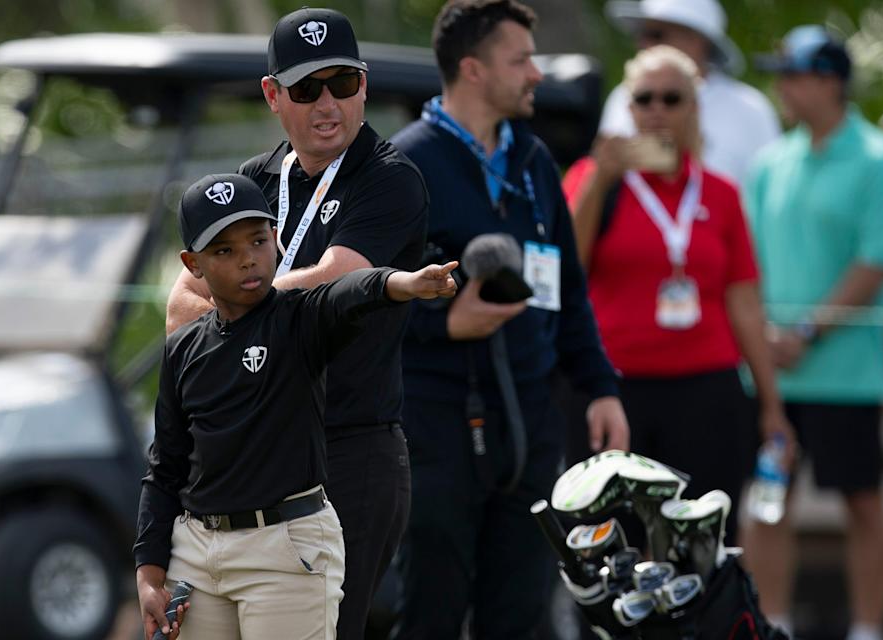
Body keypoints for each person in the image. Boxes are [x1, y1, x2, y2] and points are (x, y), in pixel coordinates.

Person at [164, 8, 428, 638]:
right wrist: (266, 306)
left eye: (344, 83)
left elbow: (338, 280)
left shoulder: (390, 179)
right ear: (273, 95)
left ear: (363, 84)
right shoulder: (255, 180)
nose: (328, 103)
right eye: (308, 89)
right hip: (248, 457)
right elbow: (178, 310)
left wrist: (231, 303)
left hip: (348, 449)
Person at [389, 1, 630, 637]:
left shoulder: (535, 162)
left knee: (521, 621)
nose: (536, 74)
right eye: (520, 59)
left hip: (530, 430)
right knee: (430, 615)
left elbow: (569, 294)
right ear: (473, 69)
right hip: (435, 431)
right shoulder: (401, 168)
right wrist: (444, 324)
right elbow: (360, 302)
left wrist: (601, 387)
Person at [135, 172, 456, 640]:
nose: (248, 259)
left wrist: (403, 283)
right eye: (224, 250)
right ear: (193, 263)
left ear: (277, 240)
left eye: (258, 240)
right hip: (197, 554)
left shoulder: (300, 317)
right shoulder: (182, 348)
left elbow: (351, 291)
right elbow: (165, 468)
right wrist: (148, 573)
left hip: (285, 549)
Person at [561, 45, 792, 546]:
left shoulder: (721, 192)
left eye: (673, 98)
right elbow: (566, 271)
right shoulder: (592, 178)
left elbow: (745, 303)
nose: (657, 110)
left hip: (706, 392)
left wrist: (772, 405)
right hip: (613, 390)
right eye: (644, 99)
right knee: (609, 544)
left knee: (701, 546)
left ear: (694, 108)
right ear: (629, 108)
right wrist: (601, 179)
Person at [743, 26, 883, 640]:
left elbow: (878, 260)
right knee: (767, 500)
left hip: (847, 375)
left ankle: (866, 629)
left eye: (794, 73)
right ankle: (769, 624)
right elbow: (747, 264)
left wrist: (805, 330)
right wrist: (766, 337)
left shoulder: (879, 159)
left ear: (831, 82)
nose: (781, 85)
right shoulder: (770, 162)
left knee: (863, 503)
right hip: (773, 374)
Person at [599, 0, 779, 185]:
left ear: (695, 40)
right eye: (641, 34)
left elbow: (772, 188)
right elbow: (608, 171)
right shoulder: (623, 96)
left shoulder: (750, 109)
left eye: (655, 35)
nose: (643, 43)